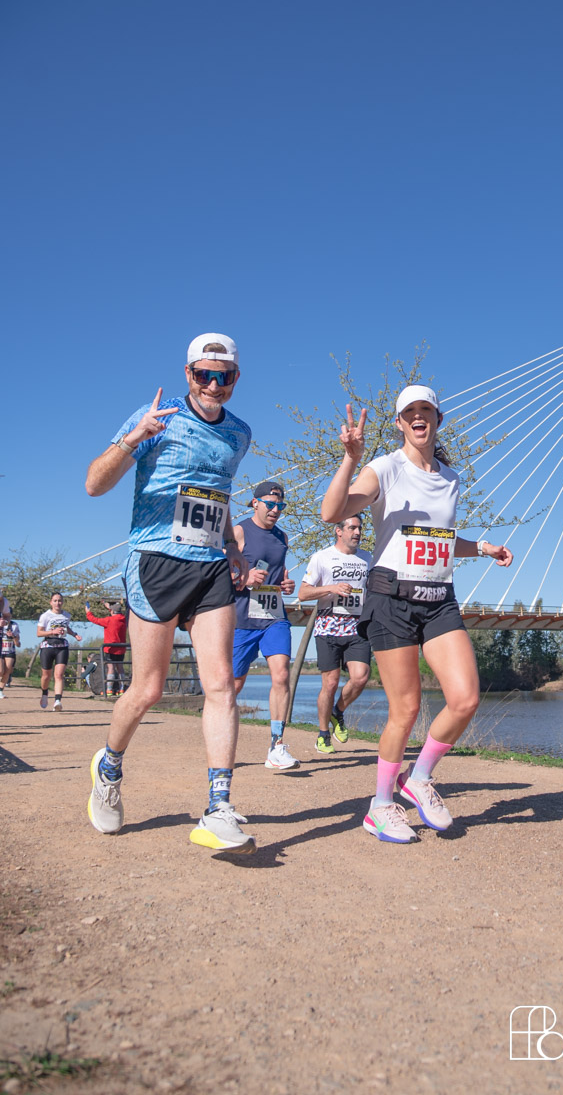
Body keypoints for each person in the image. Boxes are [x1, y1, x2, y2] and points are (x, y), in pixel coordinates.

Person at [84, 333, 255, 854]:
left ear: (235, 379)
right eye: (204, 374)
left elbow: (217, 494)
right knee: (147, 690)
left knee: (220, 685)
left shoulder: (240, 434)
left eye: (223, 376)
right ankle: (109, 768)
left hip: (210, 567)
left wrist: (232, 545)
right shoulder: (156, 416)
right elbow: (94, 484)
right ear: (188, 374)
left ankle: (218, 807)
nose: (213, 384)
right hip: (155, 562)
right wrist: (134, 438)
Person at [320, 384, 513, 843]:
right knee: (405, 710)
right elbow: (332, 512)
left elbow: (440, 538)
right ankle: (380, 806)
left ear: (438, 419)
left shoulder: (451, 478)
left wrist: (482, 547)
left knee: (465, 698)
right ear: (400, 422)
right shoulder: (385, 468)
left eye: (427, 409)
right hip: (392, 599)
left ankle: (419, 776)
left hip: (439, 598)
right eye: (410, 411)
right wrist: (350, 459)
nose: (419, 416)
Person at [232, 481, 298, 770]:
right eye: (270, 504)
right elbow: (215, 571)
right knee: (233, 685)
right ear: (255, 503)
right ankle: (220, 740)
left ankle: (277, 746)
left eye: (280, 506)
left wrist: (285, 583)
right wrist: (243, 579)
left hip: (274, 616)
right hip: (242, 619)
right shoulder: (239, 531)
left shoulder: (282, 536)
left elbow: (277, 573)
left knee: (281, 674)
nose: (275, 510)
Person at [297, 515, 372, 755]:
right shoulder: (322, 557)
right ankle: (323, 734)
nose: (358, 532)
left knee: (360, 677)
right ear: (338, 531)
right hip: (328, 625)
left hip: (357, 626)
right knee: (329, 683)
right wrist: (332, 588)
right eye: (352, 528)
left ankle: (337, 711)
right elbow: (303, 593)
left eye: (360, 528)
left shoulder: (368, 559)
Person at [37, 592, 82, 710]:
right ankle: (45, 693)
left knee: (59, 675)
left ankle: (57, 701)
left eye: (60, 600)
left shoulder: (66, 615)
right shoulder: (45, 616)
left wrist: (75, 635)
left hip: (62, 646)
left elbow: (67, 628)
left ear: (62, 602)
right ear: (51, 602)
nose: (58, 603)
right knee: (46, 676)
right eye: (55, 601)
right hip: (48, 646)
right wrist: (53, 631)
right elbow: (39, 633)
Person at [85, 599, 129, 696]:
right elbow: (115, 613)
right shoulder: (124, 619)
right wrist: (108, 606)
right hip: (121, 649)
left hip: (110, 648)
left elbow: (95, 620)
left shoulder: (109, 620)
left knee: (111, 668)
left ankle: (109, 689)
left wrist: (88, 613)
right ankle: (121, 689)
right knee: (120, 668)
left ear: (112, 611)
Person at [0, 613, 20, 695]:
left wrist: (13, 636)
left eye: (8, 616)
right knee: (0, 671)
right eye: (4, 616)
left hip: (10, 651)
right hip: (0, 651)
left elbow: (18, 644)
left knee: (7, 672)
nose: (6, 618)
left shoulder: (14, 625)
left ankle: (0, 691)